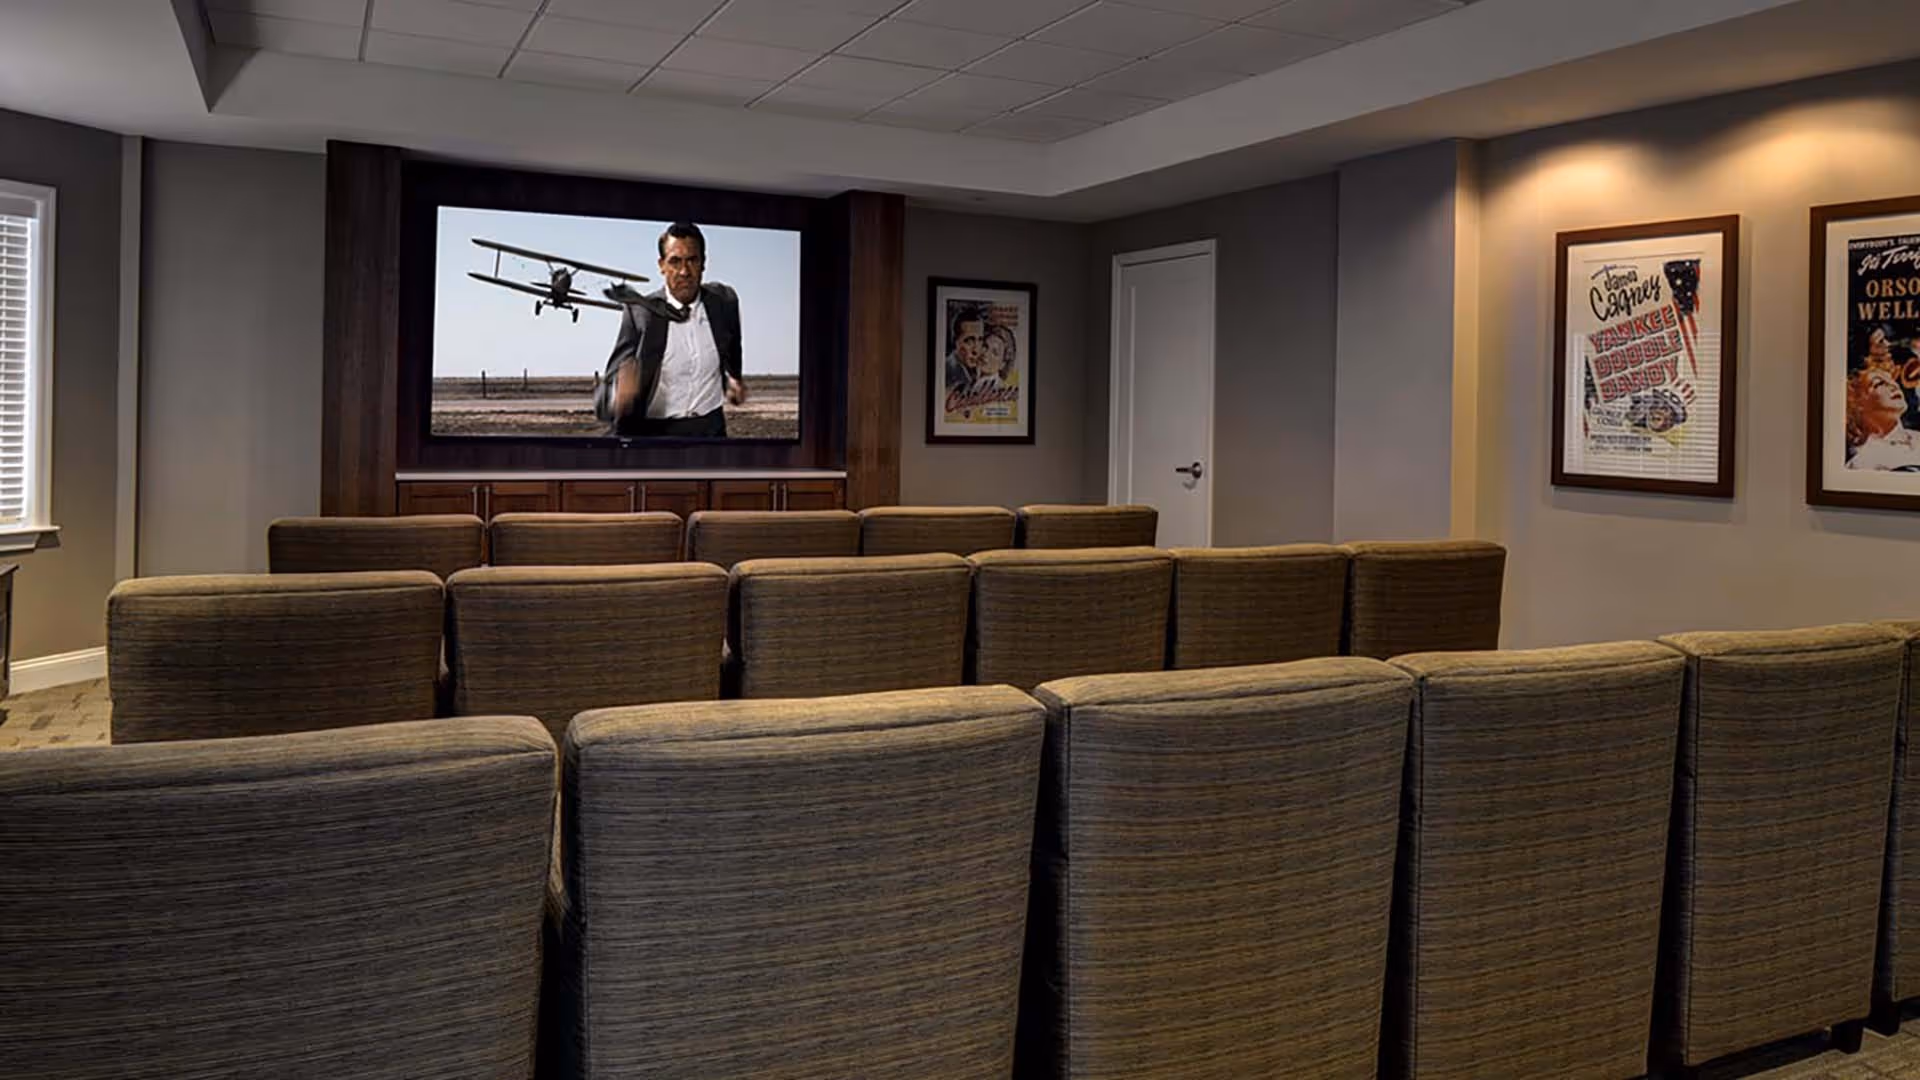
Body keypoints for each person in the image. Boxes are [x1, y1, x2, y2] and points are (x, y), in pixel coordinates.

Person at [596, 222, 745, 437]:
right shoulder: (641, 313)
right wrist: (618, 398)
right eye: (675, 262)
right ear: (662, 265)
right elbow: (603, 397)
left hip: (711, 431)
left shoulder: (724, 301)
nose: (684, 271)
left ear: (703, 263)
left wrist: (734, 379)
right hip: (655, 434)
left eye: (692, 260)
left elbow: (733, 345)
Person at [1846, 365, 1920, 470]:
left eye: (1891, 379)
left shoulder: (1916, 437)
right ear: (1857, 404)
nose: (1894, 385)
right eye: (1879, 384)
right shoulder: (1863, 462)